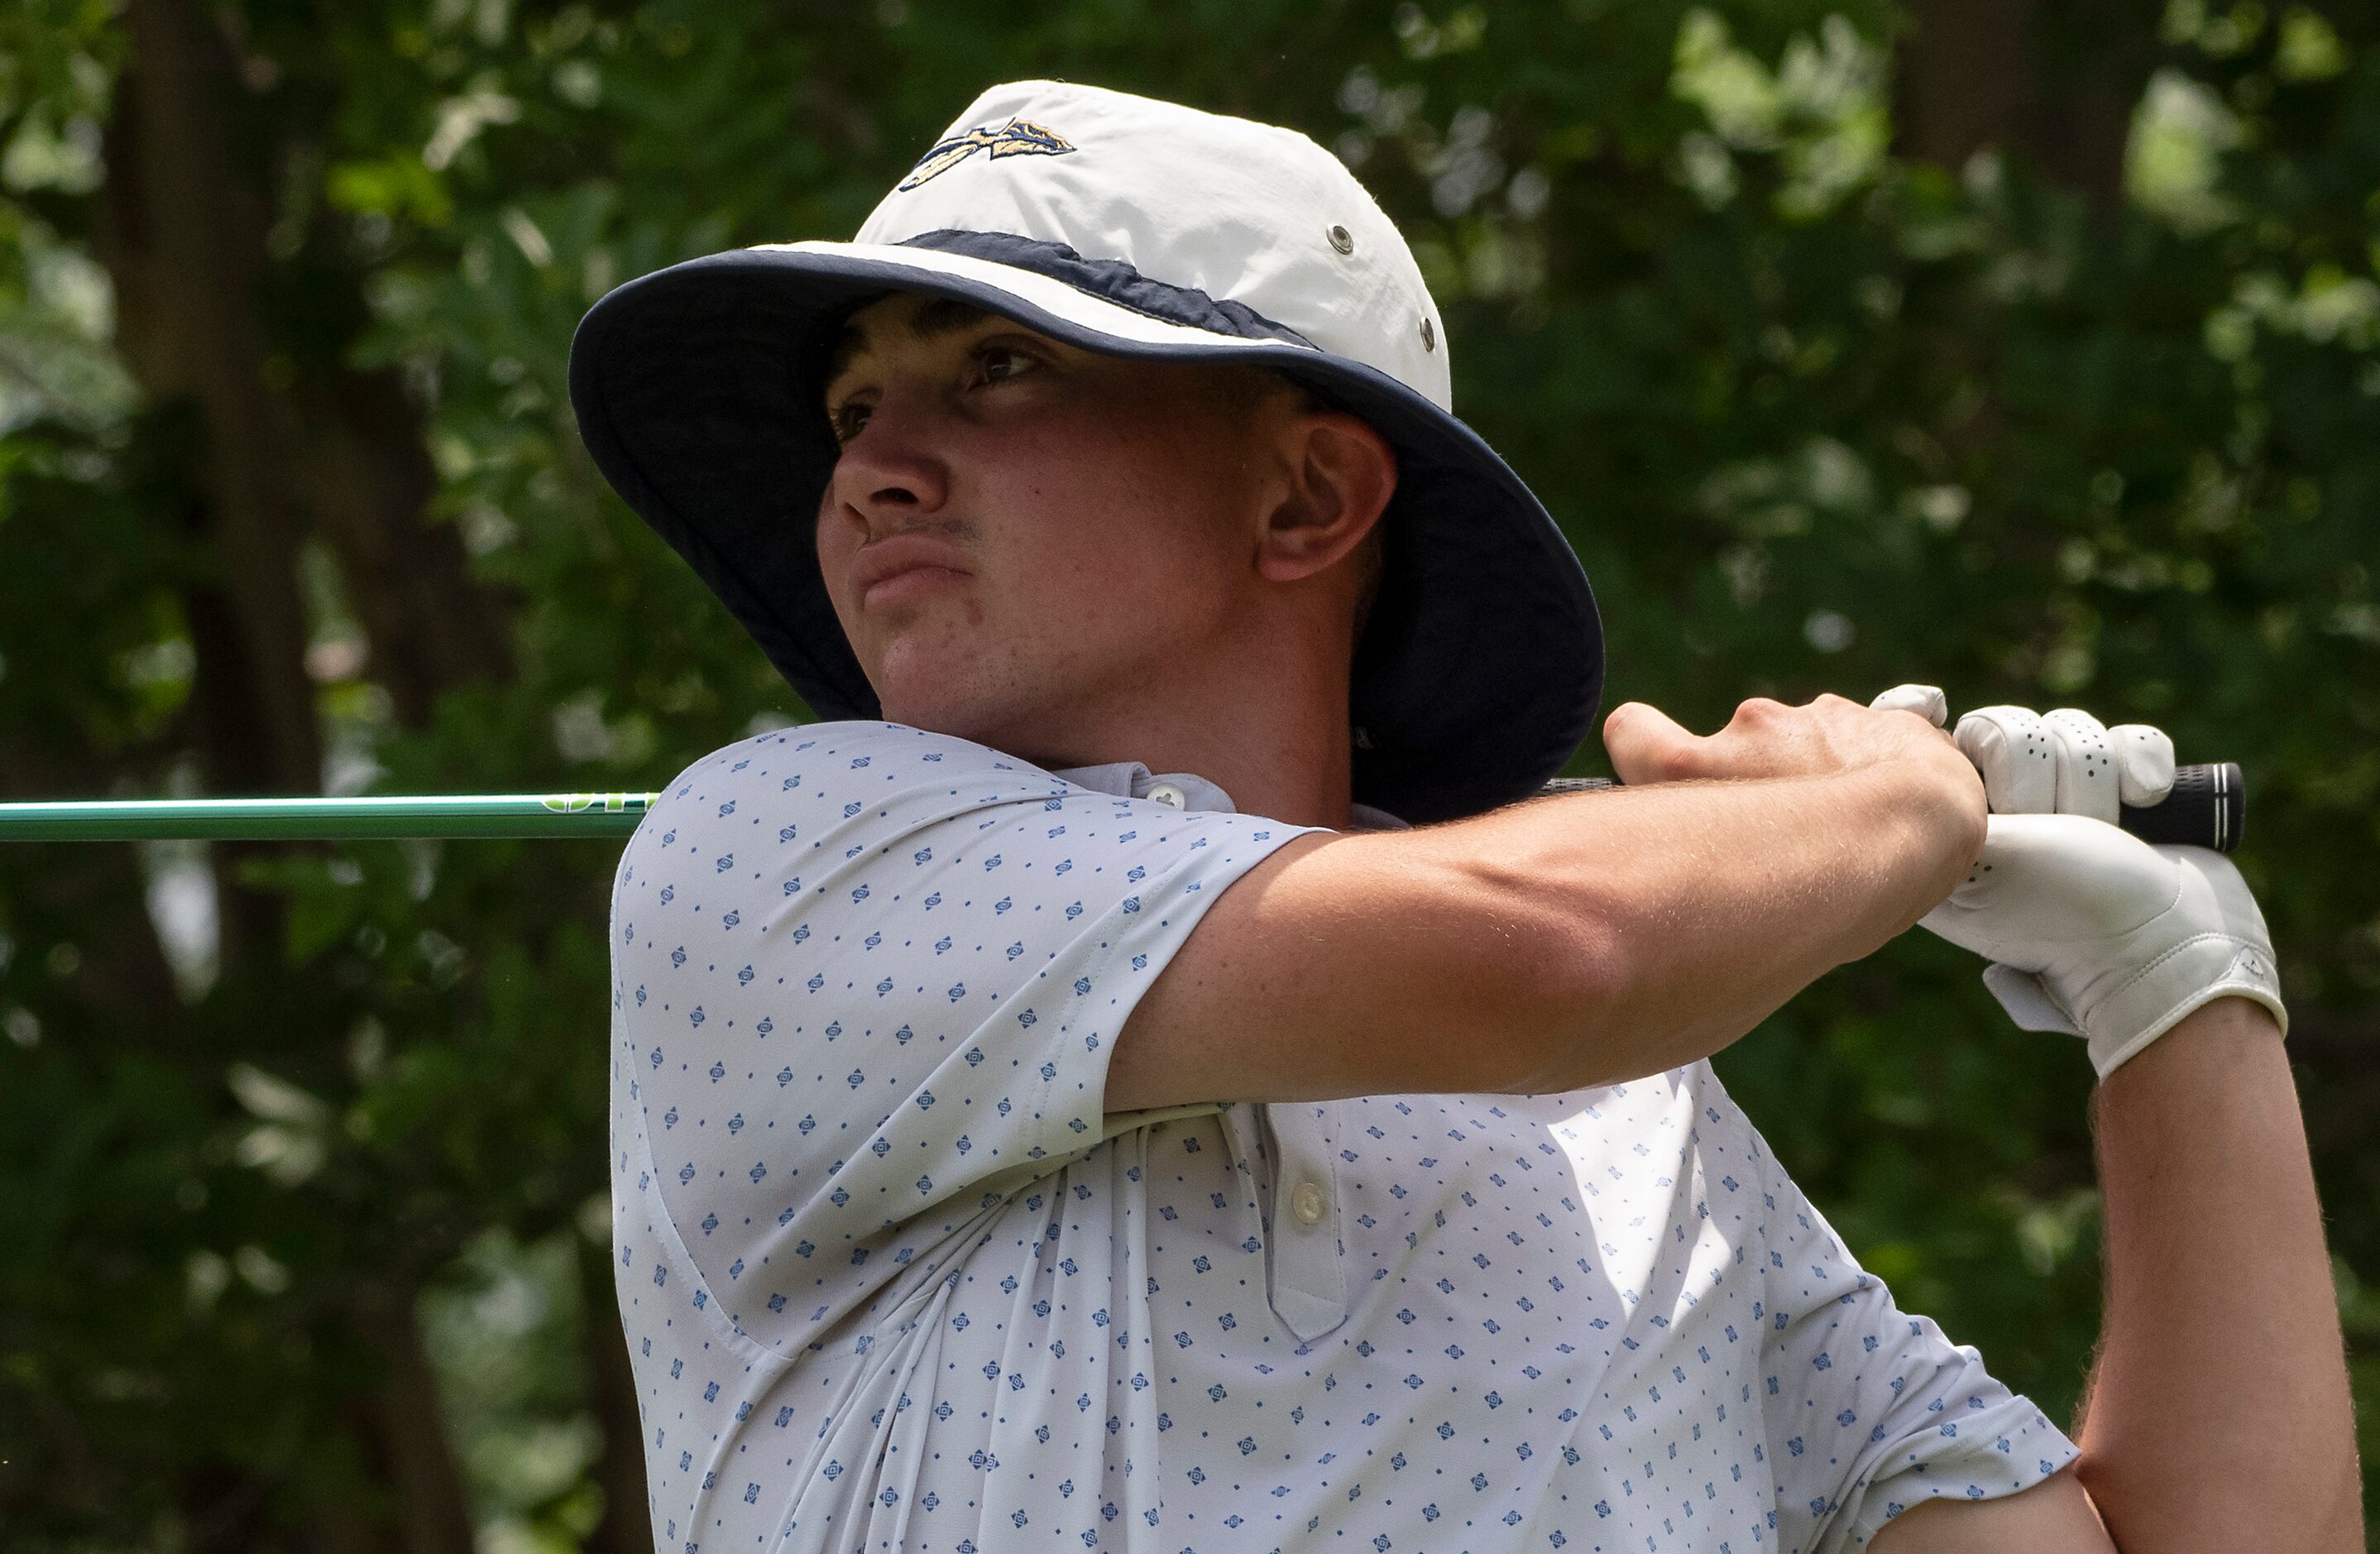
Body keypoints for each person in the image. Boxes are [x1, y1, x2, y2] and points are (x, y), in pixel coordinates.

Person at [567, 81, 2358, 1553]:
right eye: (854, 402)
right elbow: (1548, 949)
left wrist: (2171, 987)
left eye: (999, 371)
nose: (872, 462)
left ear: (1305, 494)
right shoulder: (778, 850)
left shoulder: (1637, 1128)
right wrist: (1895, 801)